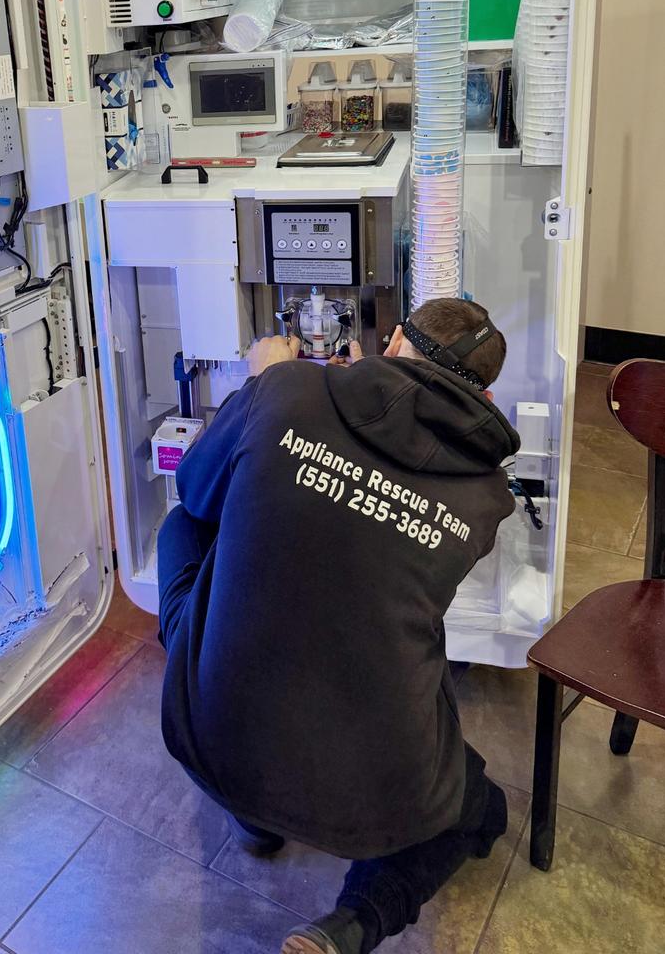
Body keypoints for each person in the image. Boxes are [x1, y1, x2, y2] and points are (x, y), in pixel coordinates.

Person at [156, 298, 520, 954]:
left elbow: (194, 489)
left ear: (397, 342)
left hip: (207, 733)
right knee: (480, 813)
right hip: (372, 790)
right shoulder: (487, 498)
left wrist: (260, 386)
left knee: (185, 524)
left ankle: (251, 815)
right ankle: (353, 924)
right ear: (486, 394)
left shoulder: (288, 389)